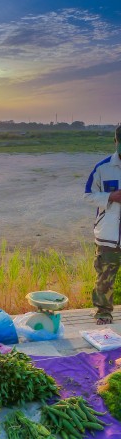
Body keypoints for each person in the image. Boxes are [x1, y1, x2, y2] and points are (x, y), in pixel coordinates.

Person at [84, 125, 121, 324]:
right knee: (105, 276)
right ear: (116, 142)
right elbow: (88, 195)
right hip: (108, 233)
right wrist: (110, 197)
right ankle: (103, 313)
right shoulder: (103, 168)